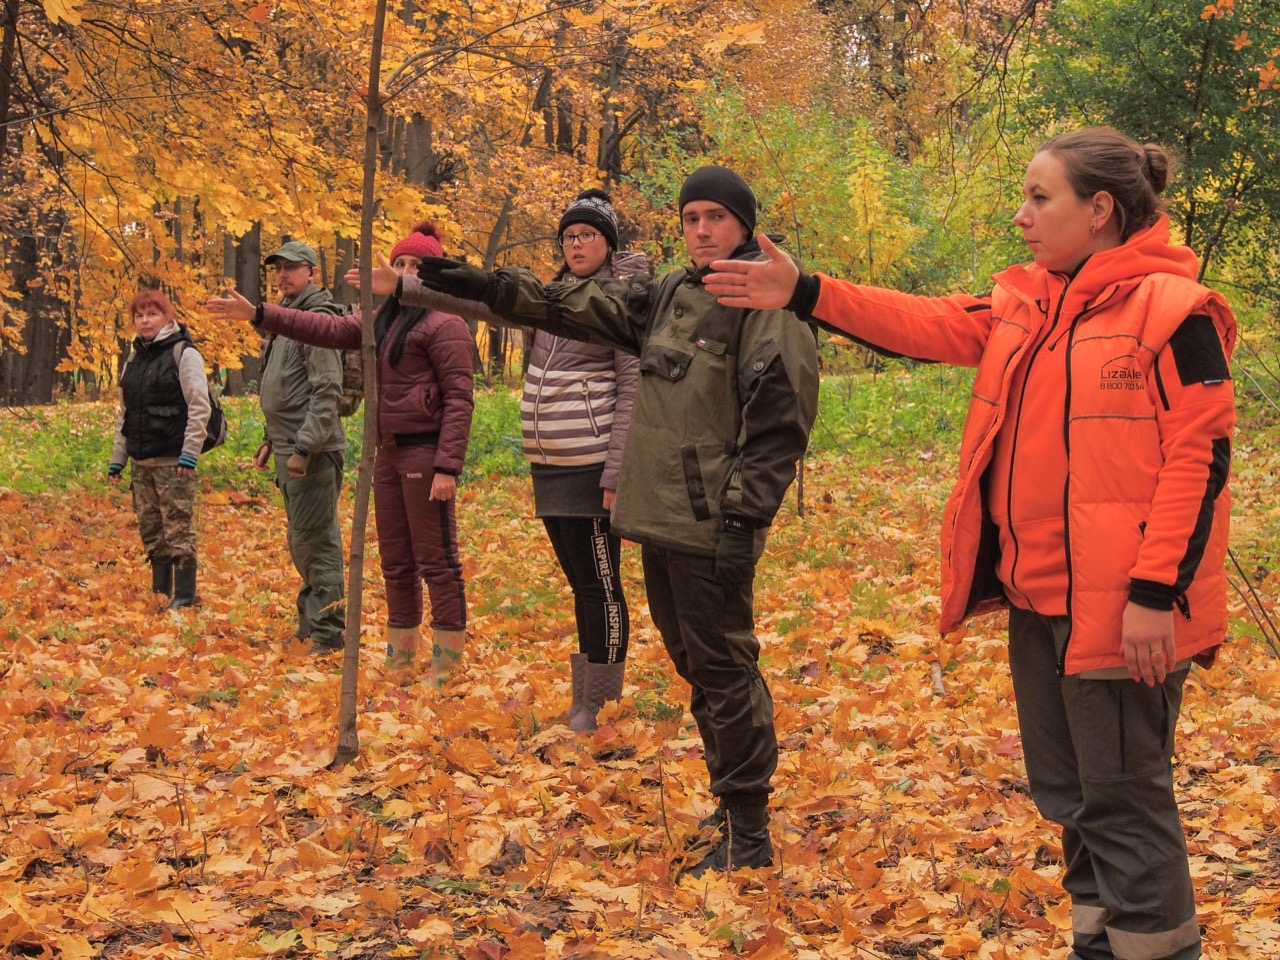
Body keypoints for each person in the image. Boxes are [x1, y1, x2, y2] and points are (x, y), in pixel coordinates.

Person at [705, 127, 1234, 960]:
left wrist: (1153, 595)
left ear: (1099, 210)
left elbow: (1201, 461)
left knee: (1126, 807)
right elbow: (924, 321)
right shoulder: (1028, 306)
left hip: (1126, 615)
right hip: (1039, 605)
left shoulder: (1176, 314)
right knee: (1075, 804)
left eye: (1039, 197)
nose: (1021, 216)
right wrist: (804, 289)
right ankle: (1098, 946)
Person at [373, 166, 820, 877]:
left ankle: (750, 829)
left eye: (716, 218)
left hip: (715, 527)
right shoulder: (674, 292)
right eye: (691, 217)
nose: (701, 230)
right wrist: (478, 283)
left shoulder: (769, 303)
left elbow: (780, 427)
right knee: (696, 667)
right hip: (662, 517)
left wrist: (743, 517)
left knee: (726, 669)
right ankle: (728, 804)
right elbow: (564, 307)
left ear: (745, 224)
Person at [208, 224, 474, 686]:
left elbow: (459, 399)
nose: (405, 272)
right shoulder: (381, 319)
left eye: (416, 267)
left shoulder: (445, 324)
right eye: (401, 263)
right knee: (396, 561)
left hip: (426, 455)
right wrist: (260, 315)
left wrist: (447, 465)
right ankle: (400, 660)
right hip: (387, 455)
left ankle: (447, 668)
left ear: (431, 276)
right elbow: (325, 328)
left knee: (437, 560)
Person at [526, 189, 644, 732]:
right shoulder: (553, 297)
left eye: (587, 235)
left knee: (601, 583)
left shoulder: (621, 300)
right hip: (550, 466)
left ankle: (602, 703)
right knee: (579, 582)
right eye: (569, 236)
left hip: (593, 468)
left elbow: (631, 387)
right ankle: (584, 698)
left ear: (608, 242)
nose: (576, 244)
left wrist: (615, 474)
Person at [256, 240, 348, 654]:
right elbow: (283, 389)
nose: (282, 275)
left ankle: (328, 634)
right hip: (286, 446)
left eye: (291, 268)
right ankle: (311, 624)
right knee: (301, 540)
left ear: (312, 271)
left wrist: (305, 447)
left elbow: (327, 389)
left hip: (311, 452)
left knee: (317, 540)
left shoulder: (317, 319)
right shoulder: (286, 321)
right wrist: (268, 440)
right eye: (277, 269)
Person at [108, 290, 212, 610]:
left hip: (174, 460)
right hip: (142, 461)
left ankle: (184, 597)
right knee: (152, 530)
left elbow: (199, 406)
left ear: (167, 318)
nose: (144, 321)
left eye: (152, 314)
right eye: (139, 316)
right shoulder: (134, 358)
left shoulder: (184, 353)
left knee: (178, 529)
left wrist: (190, 452)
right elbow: (127, 413)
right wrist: (118, 459)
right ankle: (161, 594)